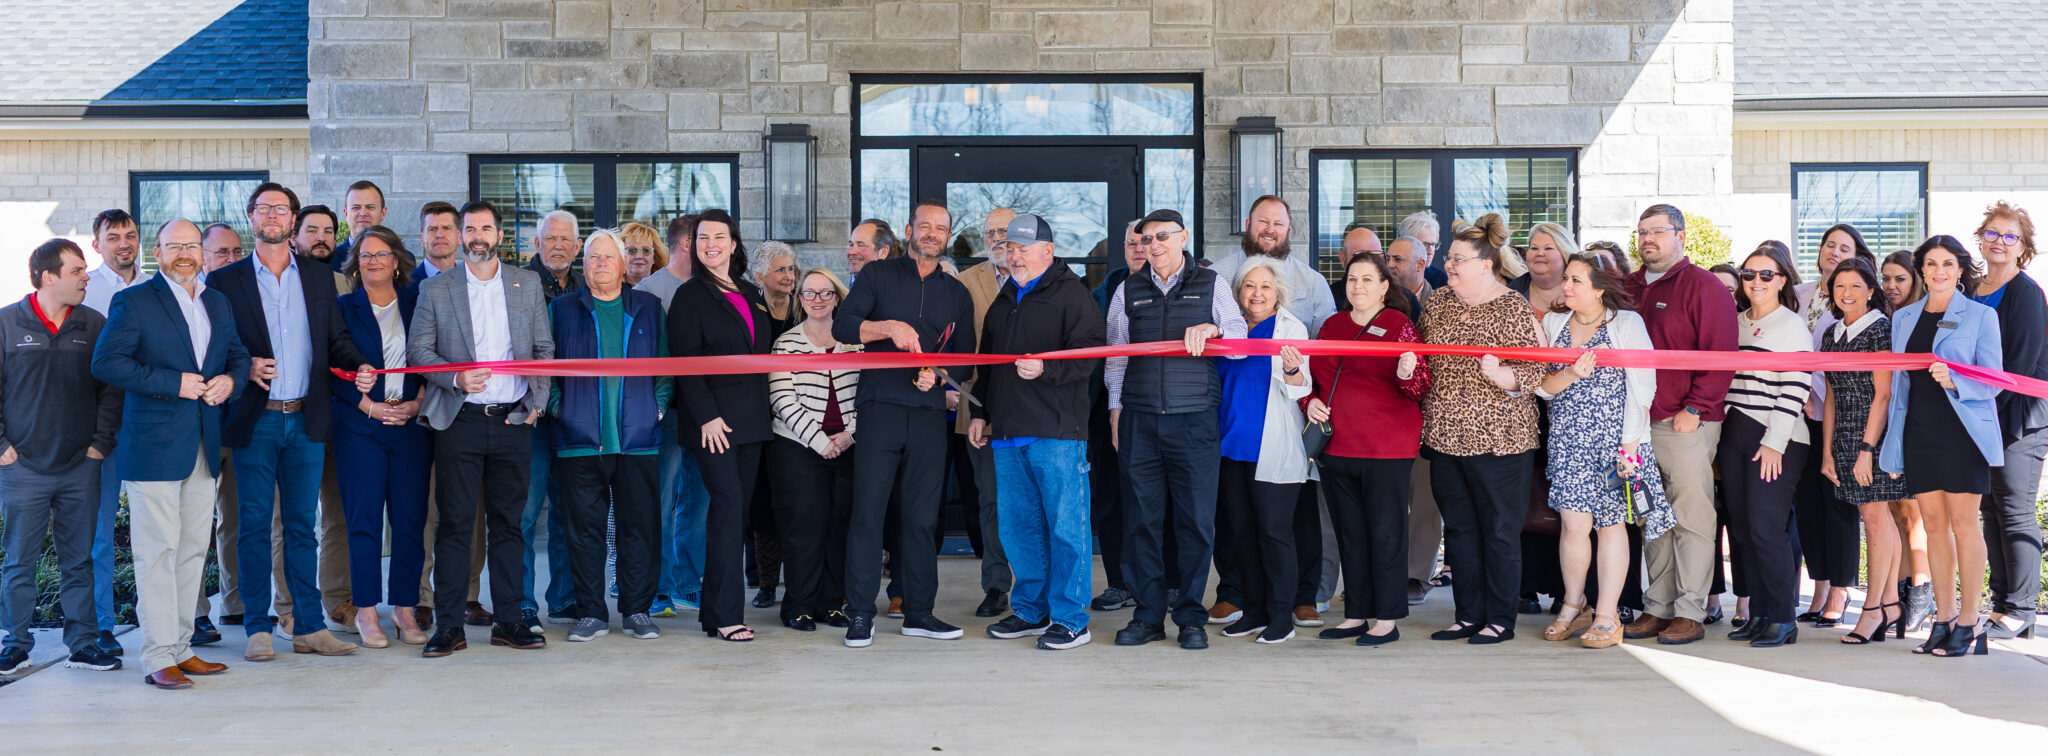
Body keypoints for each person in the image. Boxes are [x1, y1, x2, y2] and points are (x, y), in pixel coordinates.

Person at [211, 182, 375, 661]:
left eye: (281, 209)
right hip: (255, 419)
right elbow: (216, 349)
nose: (273, 216)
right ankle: (259, 628)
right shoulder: (227, 281)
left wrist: (360, 364)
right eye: (264, 209)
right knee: (254, 525)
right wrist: (243, 368)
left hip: (306, 419)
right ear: (253, 217)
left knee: (304, 525)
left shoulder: (320, 278)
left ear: (292, 219)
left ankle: (308, 626)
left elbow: (335, 340)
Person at [91, 218, 251, 689]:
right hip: (154, 446)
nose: (184, 253)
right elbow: (107, 362)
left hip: (203, 443)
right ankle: (158, 654)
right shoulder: (133, 301)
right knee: (157, 552)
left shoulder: (217, 302)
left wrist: (231, 381)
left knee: (191, 551)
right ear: (156, 254)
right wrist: (173, 384)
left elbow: (238, 356)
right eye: (173, 246)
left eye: (191, 246)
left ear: (202, 253)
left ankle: (182, 647)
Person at [409, 200, 554, 657]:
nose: (476, 236)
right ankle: (448, 626)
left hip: (513, 421)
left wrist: (537, 402)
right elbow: (419, 350)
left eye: (485, 228)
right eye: (469, 228)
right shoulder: (438, 289)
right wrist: (453, 377)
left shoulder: (526, 283)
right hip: (460, 421)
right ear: (460, 235)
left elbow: (544, 348)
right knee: (454, 525)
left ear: (499, 235)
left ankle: (510, 620)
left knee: (510, 525)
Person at [833, 201, 976, 648]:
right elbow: (844, 326)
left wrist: (941, 373)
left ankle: (920, 612)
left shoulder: (956, 292)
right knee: (868, 515)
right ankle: (859, 613)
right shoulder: (877, 275)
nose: (932, 233)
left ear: (947, 236)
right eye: (925, 226)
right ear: (910, 230)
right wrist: (888, 327)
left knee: (920, 519)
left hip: (930, 415)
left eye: (941, 228)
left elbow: (965, 358)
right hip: (880, 410)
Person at [1104, 208, 1247, 651]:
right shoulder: (1127, 289)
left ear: (1183, 236)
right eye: (1147, 239)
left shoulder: (1212, 284)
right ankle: (1147, 616)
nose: (1155, 246)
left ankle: (1190, 617)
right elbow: (1116, 353)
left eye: (1163, 237)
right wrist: (1115, 409)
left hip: (1194, 421)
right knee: (1143, 523)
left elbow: (1241, 342)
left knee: (1195, 524)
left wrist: (1215, 326)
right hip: (1140, 420)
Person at [968, 214, 1108, 650]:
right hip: (1008, 434)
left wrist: (1047, 368)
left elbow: (1091, 356)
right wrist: (980, 412)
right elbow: (989, 364)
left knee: (1066, 529)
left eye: (1024, 249)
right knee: (1019, 530)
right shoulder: (1005, 297)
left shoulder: (1072, 295)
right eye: (1010, 248)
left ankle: (1070, 619)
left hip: (1057, 433)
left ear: (1048, 251)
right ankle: (1031, 610)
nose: (1015, 255)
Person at [1418, 213, 1546, 645]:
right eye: (1450, 258)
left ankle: (1499, 619)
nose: (1449, 265)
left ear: (1485, 264)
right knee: (1459, 531)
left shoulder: (1513, 306)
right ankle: (1467, 614)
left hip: (1501, 440)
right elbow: (1422, 359)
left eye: (1458, 259)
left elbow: (1536, 371)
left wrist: (1504, 377)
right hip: (1446, 437)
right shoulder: (1437, 303)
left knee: (1499, 531)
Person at [1534, 255, 1673, 649]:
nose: (1566, 287)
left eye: (1575, 280)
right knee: (1573, 526)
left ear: (1598, 288)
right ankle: (1572, 606)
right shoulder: (1553, 322)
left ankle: (1608, 616)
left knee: (1611, 525)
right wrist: (1570, 374)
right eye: (1566, 280)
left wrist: (1629, 448)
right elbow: (1542, 388)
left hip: (1616, 444)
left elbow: (1643, 386)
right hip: (1568, 441)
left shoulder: (1626, 324)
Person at [0, 240, 125, 676]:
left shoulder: (94, 324)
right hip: (23, 469)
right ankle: (15, 643)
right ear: (47, 276)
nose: (86, 276)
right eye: (76, 270)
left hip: (80, 466)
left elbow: (111, 391)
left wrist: (99, 446)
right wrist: (2, 448)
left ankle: (84, 644)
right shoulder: (6, 324)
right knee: (19, 561)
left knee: (80, 560)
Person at [1620, 204, 1739, 646]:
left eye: (1657, 232)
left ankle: (1690, 611)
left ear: (1681, 236)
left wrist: (1697, 408)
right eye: (1642, 232)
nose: (1648, 239)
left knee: (1691, 519)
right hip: (1637, 424)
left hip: (1684, 423)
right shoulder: (1627, 287)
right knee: (1653, 518)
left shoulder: (1704, 286)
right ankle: (1658, 606)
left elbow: (1721, 354)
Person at [1881, 235, 2003, 658]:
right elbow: (1898, 386)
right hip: (1919, 431)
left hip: (1962, 432)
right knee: (1932, 526)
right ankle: (1944, 617)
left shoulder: (1981, 316)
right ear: (1921, 270)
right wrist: (1893, 445)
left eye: (1947, 263)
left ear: (1960, 268)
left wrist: (1958, 380)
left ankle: (1970, 621)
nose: (1938, 271)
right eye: (1930, 264)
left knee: (1965, 525)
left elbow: (1995, 379)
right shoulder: (1904, 317)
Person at [549, 228, 671, 643]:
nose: (599, 263)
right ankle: (590, 613)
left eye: (607, 257)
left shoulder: (649, 307)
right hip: (580, 436)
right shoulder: (563, 309)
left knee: (640, 527)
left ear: (623, 265)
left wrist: (658, 405)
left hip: (637, 437)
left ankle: (637, 610)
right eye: (592, 258)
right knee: (584, 531)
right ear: (584, 266)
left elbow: (666, 364)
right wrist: (556, 407)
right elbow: (543, 363)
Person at [1308, 254, 1429, 645]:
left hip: (1386, 448)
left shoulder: (1399, 325)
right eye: (1351, 279)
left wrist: (1407, 372)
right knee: (1351, 534)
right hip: (1338, 445)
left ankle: (1387, 618)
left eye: (1367, 279)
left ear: (1383, 287)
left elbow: (1420, 386)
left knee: (1385, 533)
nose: (1357, 286)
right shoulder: (1331, 325)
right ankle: (1356, 613)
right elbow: (1312, 379)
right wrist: (1307, 400)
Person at [668, 209, 772, 643]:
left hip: (752, 422)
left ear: (733, 243)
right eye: (702, 237)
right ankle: (729, 614)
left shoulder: (751, 292)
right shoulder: (691, 296)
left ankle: (713, 613)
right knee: (727, 509)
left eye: (719, 237)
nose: (710, 244)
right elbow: (685, 364)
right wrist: (707, 415)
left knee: (735, 513)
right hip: (713, 423)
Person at [331, 227, 432, 647]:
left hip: (410, 427)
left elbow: (433, 358)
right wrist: (369, 406)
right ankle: (368, 611)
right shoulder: (341, 307)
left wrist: (419, 402)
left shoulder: (420, 302)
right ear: (356, 262)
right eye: (365, 255)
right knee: (364, 522)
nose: (372, 261)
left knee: (410, 521)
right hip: (360, 429)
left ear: (396, 259)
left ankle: (405, 609)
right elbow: (329, 367)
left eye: (381, 253)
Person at [1205, 258, 1314, 645]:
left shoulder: (1291, 328)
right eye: (1250, 286)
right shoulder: (1227, 330)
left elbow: (1302, 388)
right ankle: (1252, 610)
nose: (1257, 293)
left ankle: (1280, 615)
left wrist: (1290, 371)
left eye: (1265, 287)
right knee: (1241, 534)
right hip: (1230, 446)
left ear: (1277, 292)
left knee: (1274, 533)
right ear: (1237, 292)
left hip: (1273, 447)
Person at [1718, 243, 1813, 649]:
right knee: (1741, 529)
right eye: (1749, 274)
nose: (1756, 281)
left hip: (1779, 437)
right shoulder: (1734, 323)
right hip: (1735, 431)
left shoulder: (1791, 326)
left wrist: (1774, 443)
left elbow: (1795, 389)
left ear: (1783, 280)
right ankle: (1758, 612)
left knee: (1765, 528)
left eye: (1766, 275)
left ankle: (1782, 618)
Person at [1814, 257, 1908, 644]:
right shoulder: (1832, 334)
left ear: (1871, 291)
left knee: (1875, 518)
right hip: (1844, 435)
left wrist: (1868, 448)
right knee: (1874, 519)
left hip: (1876, 434)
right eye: (1839, 286)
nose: (1846, 293)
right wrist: (1827, 451)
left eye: (1855, 286)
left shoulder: (1880, 330)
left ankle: (1872, 609)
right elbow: (1832, 396)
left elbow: (1883, 394)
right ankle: (1889, 605)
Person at [1969, 202, 2048, 641]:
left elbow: (2016, 365)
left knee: (2015, 511)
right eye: (1992, 234)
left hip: (2020, 418)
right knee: (1991, 512)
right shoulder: (1971, 289)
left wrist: (1975, 405)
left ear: (2023, 247)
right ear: (1981, 238)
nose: (1999, 242)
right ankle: (2002, 607)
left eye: (2009, 236)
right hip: (1982, 417)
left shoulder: (2026, 294)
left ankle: (2020, 609)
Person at [767, 268, 860, 631]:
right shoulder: (786, 343)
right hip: (798, 449)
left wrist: (850, 434)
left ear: (837, 297)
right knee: (804, 529)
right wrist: (820, 441)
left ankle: (831, 604)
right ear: (799, 299)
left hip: (847, 445)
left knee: (840, 528)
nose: (817, 300)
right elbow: (782, 400)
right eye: (809, 293)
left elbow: (869, 393)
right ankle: (799, 606)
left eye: (825, 293)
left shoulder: (856, 341)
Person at [1793, 225, 1872, 627]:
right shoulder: (1800, 293)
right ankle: (1819, 585)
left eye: (1845, 248)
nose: (1834, 252)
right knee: (1807, 505)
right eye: (1829, 245)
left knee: (1838, 505)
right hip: (1794, 412)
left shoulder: (1854, 301)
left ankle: (1840, 590)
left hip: (1834, 412)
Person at [83, 208, 151, 657]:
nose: (124, 243)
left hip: (150, 424)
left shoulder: (155, 287)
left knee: (158, 532)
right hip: (100, 427)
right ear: (97, 244)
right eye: (114, 237)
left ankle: (169, 622)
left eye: (130, 235)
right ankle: (100, 625)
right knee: (100, 532)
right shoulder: (83, 289)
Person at [637, 213, 712, 617]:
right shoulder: (649, 291)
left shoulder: (712, 288)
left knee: (697, 502)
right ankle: (660, 588)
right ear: (687, 244)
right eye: (705, 240)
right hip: (664, 413)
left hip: (705, 412)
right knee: (661, 499)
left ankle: (688, 583)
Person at [953, 206, 1016, 620]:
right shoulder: (963, 282)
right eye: (989, 232)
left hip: (1035, 409)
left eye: (1004, 232)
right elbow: (946, 341)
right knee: (991, 501)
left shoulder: (1041, 277)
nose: (996, 239)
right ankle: (996, 586)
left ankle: (1037, 584)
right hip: (978, 408)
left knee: (1032, 502)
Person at [520, 210, 582, 629]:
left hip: (574, 413)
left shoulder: (585, 285)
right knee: (524, 513)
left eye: (566, 240)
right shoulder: (517, 284)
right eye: (550, 239)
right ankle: (523, 603)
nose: (557, 246)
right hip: (531, 414)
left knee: (568, 511)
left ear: (577, 247)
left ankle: (564, 598)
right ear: (537, 244)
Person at [1086, 220, 1147, 613]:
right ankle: (1118, 582)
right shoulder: (1101, 293)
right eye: (1132, 243)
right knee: (1108, 498)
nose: (1140, 248)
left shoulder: (1185, 288)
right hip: (1102, 408)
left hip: (1155, 407)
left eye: (1148, 241)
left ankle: (1167, 582)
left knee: (1155, 500)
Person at [1878, 249, 1936, 632]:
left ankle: (1922, 591)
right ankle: (1898, 595)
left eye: (1900, 278)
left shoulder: (1926, 316)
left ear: (1915, 279)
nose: (1892, 286)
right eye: (1886, 278)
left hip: (1919, 420)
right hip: (1887, 418)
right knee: (1896, 512)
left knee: (1914, 514)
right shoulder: (1890, 319)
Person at [745, 239, 801, 608]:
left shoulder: (803, 308)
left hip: (797, 416)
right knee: (761, 503)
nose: (788, 276)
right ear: (758, 274)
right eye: (780, 269)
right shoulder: (749, 309)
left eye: (792, 269)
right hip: (756, 413)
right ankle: (765, 582)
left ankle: (797, 580)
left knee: (793, 500)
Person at [1516, 222, 1573, 313]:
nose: (1540, 253)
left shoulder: (1583, 293)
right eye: (1534, 248)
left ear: (1564, 253)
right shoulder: (1509, 293)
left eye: (1548, 248)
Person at [333, 180, 387, 270]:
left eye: (370, 207)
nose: (363, 213)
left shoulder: (403, 258)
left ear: (383, 213)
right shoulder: (329, 262)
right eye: (356, 208)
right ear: (346, 213)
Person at [413, 201, 464, 283]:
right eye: (432, 229)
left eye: (446, 228)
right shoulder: (402, 287)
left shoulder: (471, 284)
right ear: (422, 239)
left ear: (459, 237)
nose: (440, 235)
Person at [1399, 211, 1446, 288]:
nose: (1431, 252)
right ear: (1406, 244)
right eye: (1425, 244)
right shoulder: (1392, 274)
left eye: (1433, 244)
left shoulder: (1441, 280)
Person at [621, 221, 667, 286]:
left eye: (646, 250)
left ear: (654, 257)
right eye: (632, 250)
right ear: (622, 256)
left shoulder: (665, 290)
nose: (639, 256)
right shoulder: (613, 291)